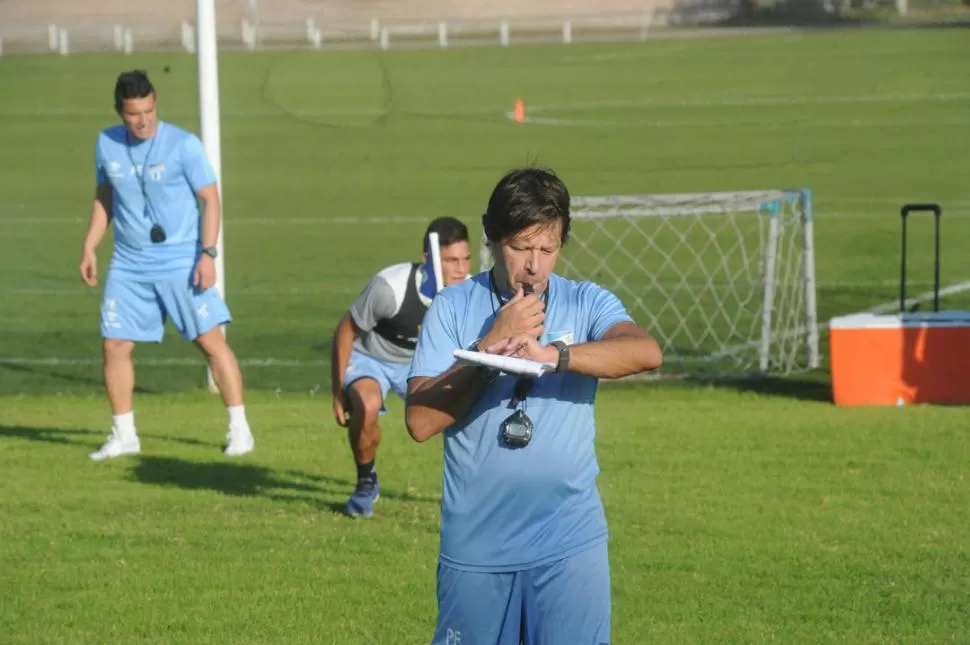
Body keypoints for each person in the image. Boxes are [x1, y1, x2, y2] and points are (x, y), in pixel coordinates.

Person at [405, 168, 663, 644]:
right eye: (522, 247)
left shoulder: (586, 302)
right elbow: (420, 421)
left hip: (570, 545)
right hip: (477, 549)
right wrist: (488, 350)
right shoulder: (453, 307)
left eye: (548, 249)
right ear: (492, 236)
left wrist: (557, 356)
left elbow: (644, 351)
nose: (535, 266)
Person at [79, 69, 254, 461]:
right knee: (115, 345)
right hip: (128, 262)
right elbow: (104, 197)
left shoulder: (183, 145)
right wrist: (90, 246)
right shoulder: (106, 144)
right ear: (119, 113)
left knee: (209, 341)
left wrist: (207, 255)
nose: (143, 121)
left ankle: (240, 429)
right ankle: (124, 434)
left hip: (181, 260)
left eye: (149, 111)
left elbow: (210, 199)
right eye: (133, 114)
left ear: (156, 103)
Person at [330, 217, 472, 518]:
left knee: (470, 417)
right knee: (366, 406)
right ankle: (366, 481)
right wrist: (337, 390)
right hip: (373, 359)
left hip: (423, 364)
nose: (461, 269)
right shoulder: (389, 288)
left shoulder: (470, 292)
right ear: (428, 259)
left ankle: (473, 493)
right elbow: (345, 330)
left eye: (465, 259)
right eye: (451, 260)